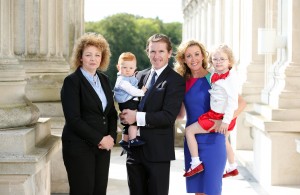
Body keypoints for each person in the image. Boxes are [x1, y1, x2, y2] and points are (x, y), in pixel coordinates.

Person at [174, 40, 246, 195]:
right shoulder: (182, 82)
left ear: (203, 56)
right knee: (198, 192)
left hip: (214, 140)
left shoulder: (215, 77)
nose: (194, 59)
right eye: (188, 56)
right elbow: (180, 115)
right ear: (183, 59)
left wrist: (224, 121)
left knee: (212, 190)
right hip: (193, 143)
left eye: (197, 54)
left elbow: (241, 103)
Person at [120, 33, 185, 195]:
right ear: (147, 52)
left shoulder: (175, 80)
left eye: (161, 51)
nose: (156, 56)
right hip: (134, 152)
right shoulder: (139, 76)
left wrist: (136, 117)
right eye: (152, 51)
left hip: (158, 152)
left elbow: (168, 116)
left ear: (169, 53)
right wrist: (124, 116)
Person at [60, 32, 118, 195]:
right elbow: (73, 119)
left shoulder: (104, 80)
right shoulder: (72, 82)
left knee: (99, 190)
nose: (93, 59)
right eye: (88, 55)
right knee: (82, 191)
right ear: (80, 57)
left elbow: (111, 113)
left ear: (102, 57)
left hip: (102, 148)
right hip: (79, 147)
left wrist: (111, 137)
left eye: (97, 55)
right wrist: (99, 139)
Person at [182, 44, 239, 178]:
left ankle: (196, 163)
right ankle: (232, 166)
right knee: (225, 141)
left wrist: (225, 121)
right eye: (215, 59)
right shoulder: (214, 74)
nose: (218, 62)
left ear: (229, 61)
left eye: (222, 59)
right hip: (218, 114)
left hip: (220, 116)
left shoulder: (230, 79)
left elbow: (234, 102)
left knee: (190, 131)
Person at [114, 52, 147, 147]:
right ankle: (133, 140)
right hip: (128, 102)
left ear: (135, 69)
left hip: (127, 101)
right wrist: (142, 91)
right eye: (124, 67)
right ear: (118, 67)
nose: (128, 70)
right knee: (134, 121)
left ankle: (124, 140)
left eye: (131, 68)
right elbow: (132, 91)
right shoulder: (122, 81)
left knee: (128, 123)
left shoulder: (128, 77)